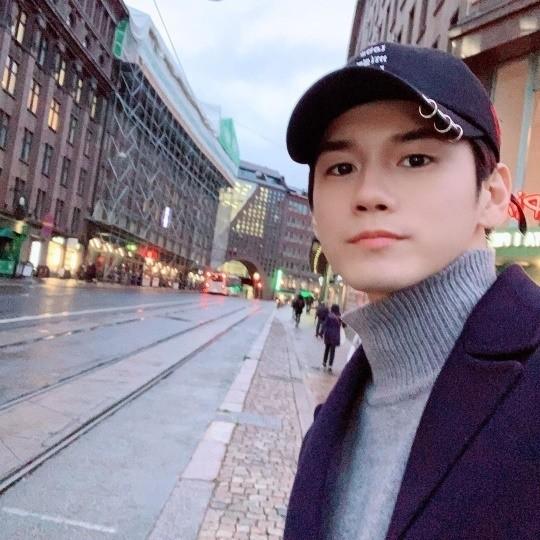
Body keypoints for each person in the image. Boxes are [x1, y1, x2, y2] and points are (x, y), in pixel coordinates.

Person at [283, 42, 538, 540]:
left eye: (416, 158)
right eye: (341, 168)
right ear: (314, 213)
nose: (369, 194)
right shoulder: (331, 425)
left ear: (492, 194)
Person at [321, 304, 343, 372]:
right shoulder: (339, 317)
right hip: (335, 336)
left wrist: (321, 332)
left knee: (327, 349)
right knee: (332, 351)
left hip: (328, 335)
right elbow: (344, 325)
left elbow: (325, 324)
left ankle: (324, 362)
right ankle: (330, 366)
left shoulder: (329, 315)